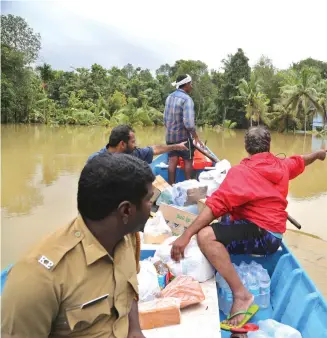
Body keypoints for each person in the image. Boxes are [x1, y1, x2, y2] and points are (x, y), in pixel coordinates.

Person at [170, 126, 327, 327]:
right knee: (225, 219)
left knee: (205, 236)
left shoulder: (241, 172)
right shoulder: (281, 165)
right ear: (269, 145)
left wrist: (186, 235)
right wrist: (319, 154)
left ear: (246, 147)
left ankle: (241, 294)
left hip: (262, 235)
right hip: (275, 233)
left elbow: (215, 206)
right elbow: (301, 160)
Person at [2, 153, 155, 338]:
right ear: (126, 210)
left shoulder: (128, 238)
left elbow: (130, 291)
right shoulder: (39, 279)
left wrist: (135, 330)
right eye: (149, 199)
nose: (153, 206)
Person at [164, 74, 201, 184]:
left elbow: (165, 119)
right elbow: (189, 124)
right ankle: (188, 185)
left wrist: (171, 131)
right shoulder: (187, 99)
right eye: (191, 84)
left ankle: (171, 186)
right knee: (188, 160)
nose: (192, 87)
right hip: (183, 138)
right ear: (186, 85)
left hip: (169, 137)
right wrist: (195, 137)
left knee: (172, 161)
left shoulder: (169, 97)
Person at [87, 124, 188, 164]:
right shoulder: (95, 160)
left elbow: (154, 149)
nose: (135, 145)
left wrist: (176, 146)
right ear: (122, 144)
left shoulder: (132, 153)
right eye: (133, 142)